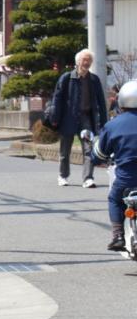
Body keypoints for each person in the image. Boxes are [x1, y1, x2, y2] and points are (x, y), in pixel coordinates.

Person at [49, 49, 108, 188]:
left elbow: (101, 102)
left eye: (89, 60)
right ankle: (63, 176)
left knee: (88, 149)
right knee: (65, 151)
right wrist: (55, 118)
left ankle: (88, 178)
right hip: (68, 118)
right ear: (78, 62)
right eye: (84, 60)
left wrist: (104, 122)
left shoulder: (94, 80)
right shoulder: (66, 78)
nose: (86, 63)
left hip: (86, 119)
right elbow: (57, 99)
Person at [93, 79, 137, 251]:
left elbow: (99, 154)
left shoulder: (112, 125)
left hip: (127, 179)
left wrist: (96, 159)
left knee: (114, 199)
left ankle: (118, 235)